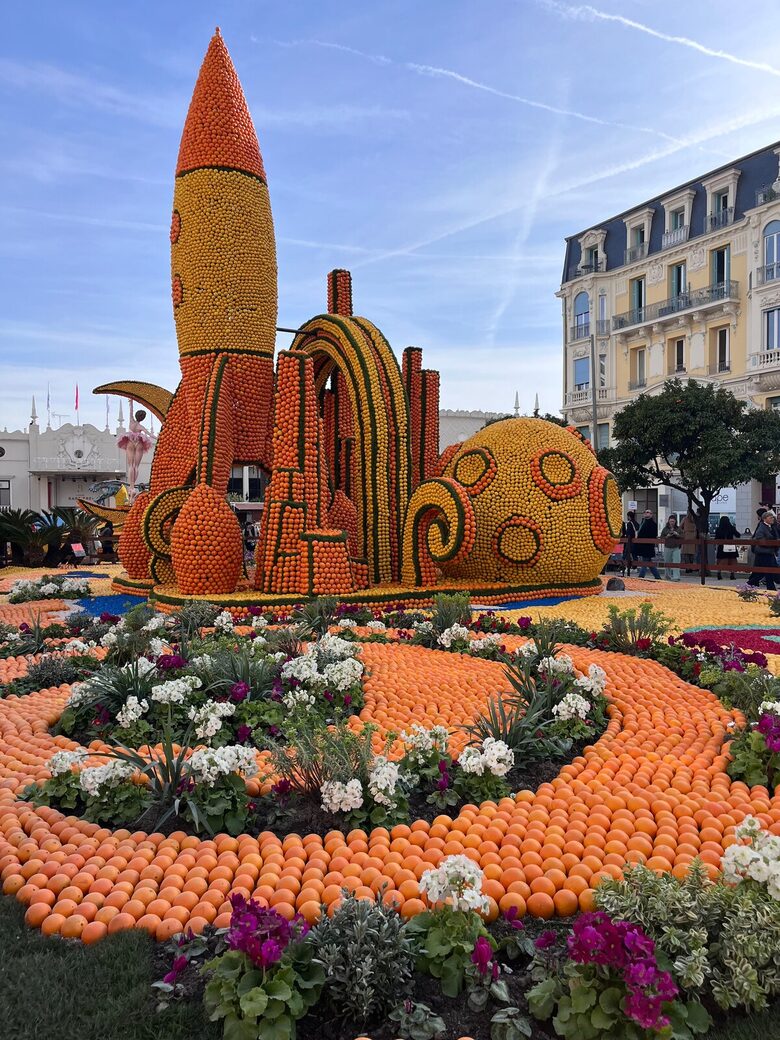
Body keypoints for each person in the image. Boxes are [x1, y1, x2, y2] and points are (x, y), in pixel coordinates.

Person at [117, 409, 154, 501]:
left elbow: (130, 410)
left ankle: (131, 486)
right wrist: (159, 437)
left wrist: (131, 401)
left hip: (130, 442)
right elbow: (150, 434)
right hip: (139, 442)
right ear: (143, 418)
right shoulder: (140, 426)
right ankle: (133, 487)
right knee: (136, 466)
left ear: (136, 415)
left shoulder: (131, 422)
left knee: (131, 465)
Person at [748, 509, 778, 591]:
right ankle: (749, 585)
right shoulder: (762, 527)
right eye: (770, 517)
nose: (772, 519)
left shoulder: (772, 527)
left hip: (769, 552)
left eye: (772, 517)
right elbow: (759, 537)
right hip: (764, 552)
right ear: (765, 519)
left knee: (765, 571)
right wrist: (770, 543)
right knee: (766, 571)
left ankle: (749, 585)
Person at [636, 509, 661, 579]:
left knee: (645, 561)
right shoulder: (642, 522)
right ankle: (657, 576)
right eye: (645, 512)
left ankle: (641, 576)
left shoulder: (653, 524)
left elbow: (652, 535)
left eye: (648, 512)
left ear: (651, 514)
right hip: (642, 545)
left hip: (648, 545)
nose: (646, 514)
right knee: (649, 562)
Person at [714, 515, 739, 580]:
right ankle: (732, 574)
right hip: (731, 546)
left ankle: (719, 573)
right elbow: (738, 535)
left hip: (722, 547)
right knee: (732, 560)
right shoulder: (732, 528)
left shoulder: (719, 529)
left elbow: (716, 539)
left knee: (721, 561)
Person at [660, 515, 683, 581]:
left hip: (676, 547)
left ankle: (676, 577)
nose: (672, 522)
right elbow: (661, 537)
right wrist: (667, 536)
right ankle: (667, 576)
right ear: (668, 521)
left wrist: (677, 534)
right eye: (670, 521)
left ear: (675, 521)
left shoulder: (678, 528)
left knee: (676, 562)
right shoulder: (665, 529)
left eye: (673, 521)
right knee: (667, 562)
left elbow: (683, 536)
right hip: (667, 547)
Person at [620, 510, 638, 576]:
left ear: (629, 517)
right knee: (634, 554)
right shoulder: (636, 523)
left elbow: (628, 533)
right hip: (635, 541)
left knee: (625, 554)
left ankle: (624, 567)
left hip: (629, 541)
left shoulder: (629, 523)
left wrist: (625, 536)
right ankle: (635, 567)